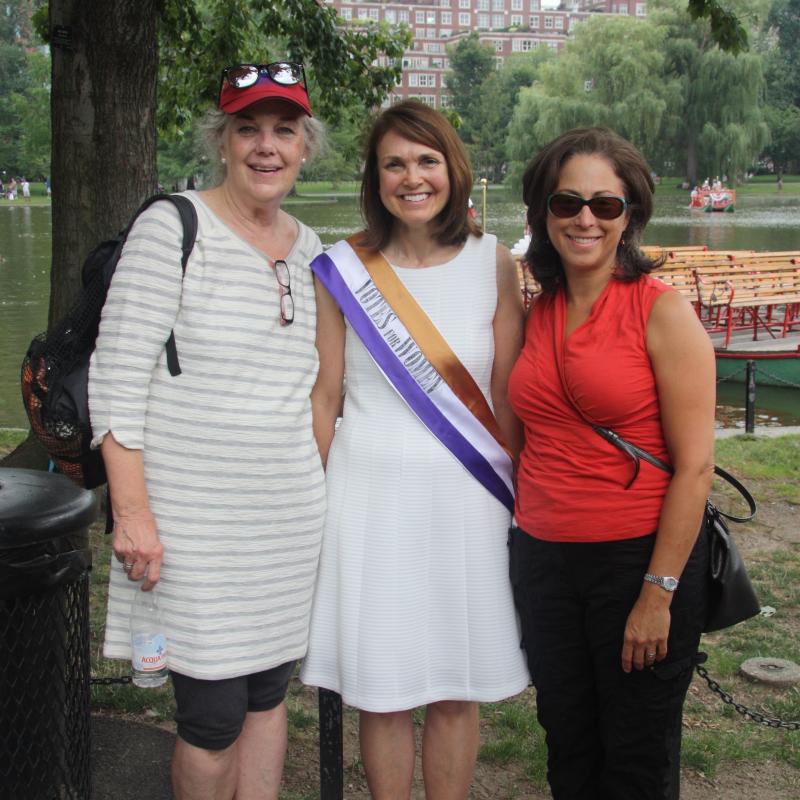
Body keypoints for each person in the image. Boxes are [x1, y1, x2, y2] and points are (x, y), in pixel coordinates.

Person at [88, 61, 332, 800]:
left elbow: (318, 389)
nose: (266, 147)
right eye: (247, 130)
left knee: (266, 695)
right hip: (193, 531)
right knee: (212, 715)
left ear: (304, 146)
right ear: (222, 142)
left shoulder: (312, 249)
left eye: (282, 131)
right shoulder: (173, 227)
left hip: (286, 530)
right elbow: (116, 377)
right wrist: (133, 515)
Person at [301, 100, 529, 798]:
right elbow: (325, 397)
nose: (412, 177)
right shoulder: (340, 268)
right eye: (394, 162)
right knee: (385, 686)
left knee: (457, 684)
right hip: (369, 498)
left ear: (451, 170)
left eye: (426, 160)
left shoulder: (494, 262)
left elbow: (508, 396)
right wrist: (315, 500)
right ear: (375, 176)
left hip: (471, 500)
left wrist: (523, 502)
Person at [508, 127, 715, 800]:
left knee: (634, 762)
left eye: (606, 204)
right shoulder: (538, 310)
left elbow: (696, 466)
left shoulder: (662, 311)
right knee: (568, 745)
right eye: (567, 202)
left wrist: (659, 592)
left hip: (634, 561)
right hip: (544, 562)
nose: (585, 219)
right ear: (543, 212)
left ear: (630, 216)